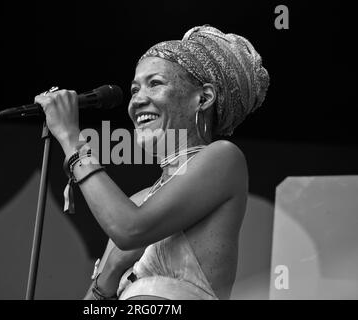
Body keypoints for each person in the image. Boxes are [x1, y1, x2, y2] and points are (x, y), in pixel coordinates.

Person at [35, 25, 269, 300]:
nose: (137, 100)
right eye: (135, 89)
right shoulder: (135, 203)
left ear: (203, 98)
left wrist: (71, 139)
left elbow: (130, 230)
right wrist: (110, 273)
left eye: (155, 83)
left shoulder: (223, 157)